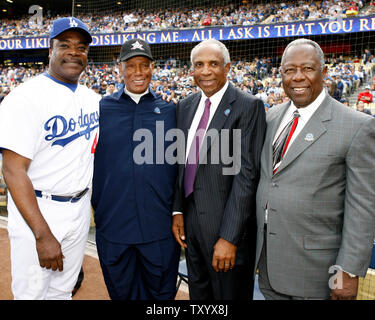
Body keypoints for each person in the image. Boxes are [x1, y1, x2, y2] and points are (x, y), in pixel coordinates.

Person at [255, 38, 375, 300]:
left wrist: (348, 271)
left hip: (317, 274)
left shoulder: (357, 126)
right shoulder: (269, 117)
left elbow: (363, 206)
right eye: (289, 70)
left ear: (324, 72)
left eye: (307, 69)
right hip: (269, 266)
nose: (298, 77)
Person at [0, 17, 99, 300]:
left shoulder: (91, 98)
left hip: (79, 208)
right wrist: (42, 234)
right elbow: (13, 171)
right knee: (31, 294)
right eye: (64, 45)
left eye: (81, 47)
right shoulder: (24, 98)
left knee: (62, 292)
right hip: (40, 210)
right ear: (50, 51)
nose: (74, 52)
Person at [172, 39, 266, 300]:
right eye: (199, 65)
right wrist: (178, 210)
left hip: (226, 231)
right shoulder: (185, 106)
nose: (206, 71)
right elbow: (182, 165)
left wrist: (229, 237)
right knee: (199, 297)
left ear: (227, 68)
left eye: (213, 64)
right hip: (191, 225)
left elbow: (246, 176)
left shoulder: (248, 106)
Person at [91, 39, 180, 300]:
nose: (138, 72)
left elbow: (180, 167)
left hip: (159, 229)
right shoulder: (100, 109)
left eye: (144, 65)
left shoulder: (170, 111)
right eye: (131, 66)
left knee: (161, 298)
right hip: (114, 228)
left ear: (153, 68)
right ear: (120, 69)